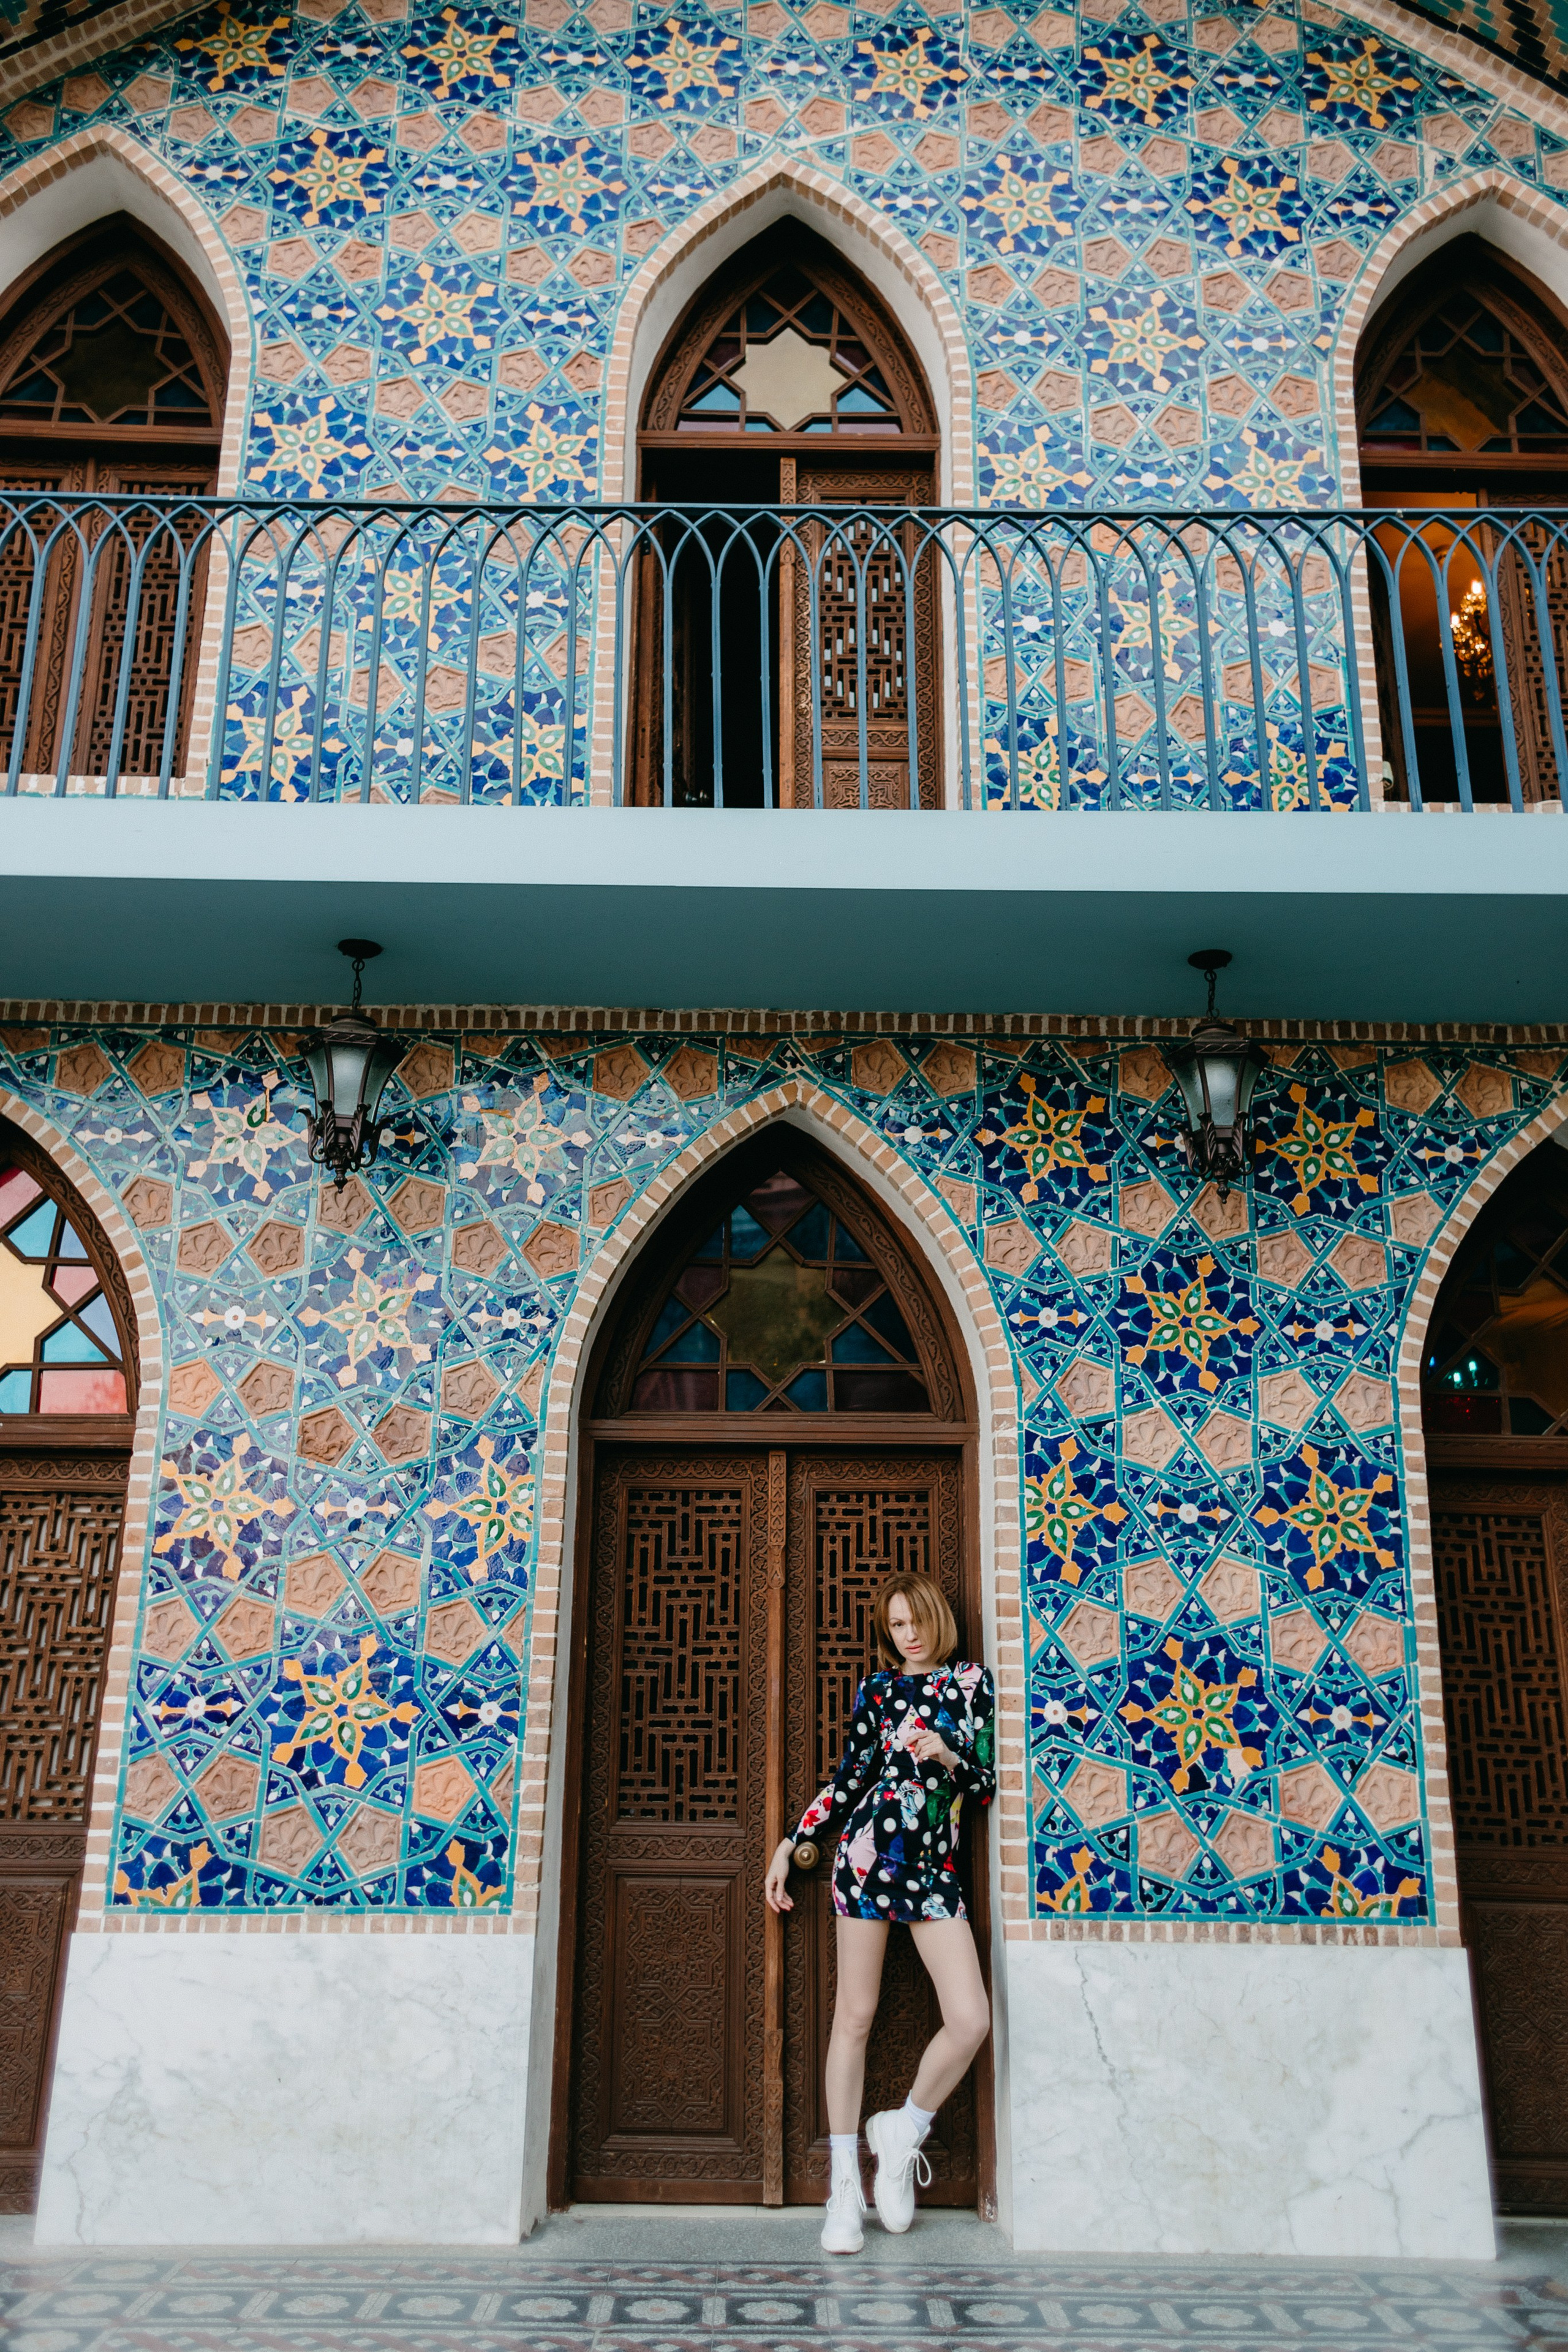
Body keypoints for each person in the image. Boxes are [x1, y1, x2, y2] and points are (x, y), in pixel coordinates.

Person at [763, 1571, 995, 2255]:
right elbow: (849, 1779)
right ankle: (844, 2188)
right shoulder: (877, 1690)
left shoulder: (972, 1685)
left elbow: (984, 1785)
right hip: (866, 1860)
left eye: (916, 1620)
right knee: (855, 2017)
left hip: (932, 1873)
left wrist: (948, 1755)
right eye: (897, 1625)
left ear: (936, 1619)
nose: (909, 1634)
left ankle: (903, 2129)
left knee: (971, 2019)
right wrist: (793, 1841)